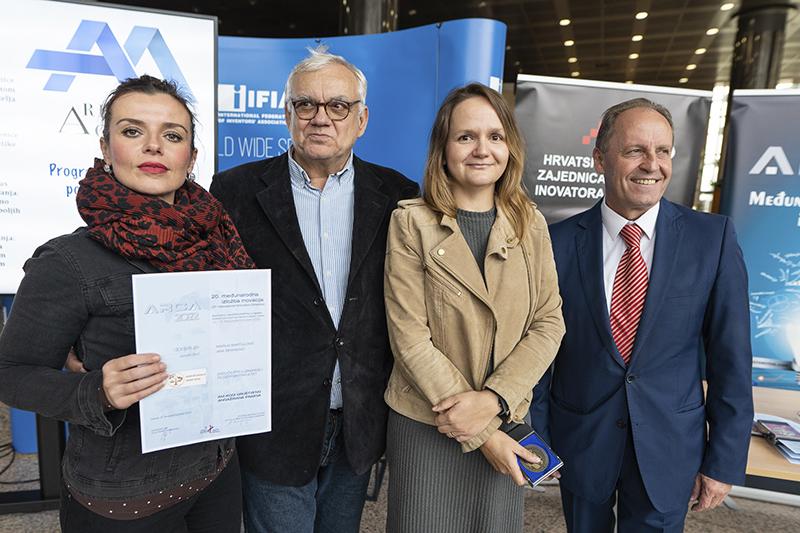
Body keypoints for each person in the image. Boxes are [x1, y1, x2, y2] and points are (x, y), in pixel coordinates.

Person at [0, 76, 252, 532]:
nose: (153, 146)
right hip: (123, 496)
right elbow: (10, 373)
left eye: (172, 135)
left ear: (191, 156)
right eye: (133, 131)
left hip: (215, 469)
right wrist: (96, 391)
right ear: (105, 146)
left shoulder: (219, 239)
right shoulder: (68, 260)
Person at [210, 46, 418, 533]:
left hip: (359, 420)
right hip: (273, 421)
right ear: (288, 114)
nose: (321, 117)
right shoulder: (232, 192)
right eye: (306, 104)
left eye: (338, 105)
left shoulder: (400, 197)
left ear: (361, 119)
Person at [531, 98, 753, 532]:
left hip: (671, 446)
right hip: (581, 440)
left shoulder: (712, 239)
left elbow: (731, 360)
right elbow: (538, 352)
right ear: (600, 159)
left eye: (663, 151)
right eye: (635, 150)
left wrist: (724, 460)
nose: (652, 164)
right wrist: (538, 437)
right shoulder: (554, 243)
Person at [382, 83, 565, 533]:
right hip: (427, 425)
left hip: (506, 415)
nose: (482, 149)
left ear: (510, 147)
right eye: (466, 137)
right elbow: (410, 338)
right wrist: (484, 436)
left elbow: (548, 322)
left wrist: (495, 402)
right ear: (443, 151)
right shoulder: (410, 222)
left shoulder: (531, 223)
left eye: (495, 136)